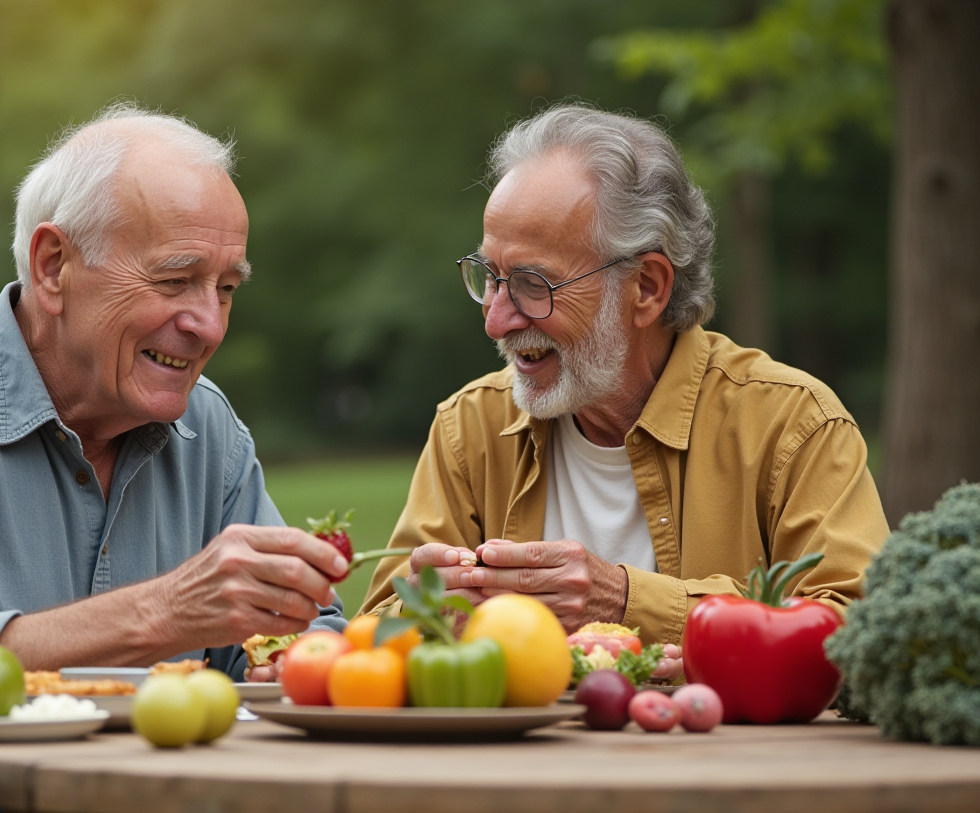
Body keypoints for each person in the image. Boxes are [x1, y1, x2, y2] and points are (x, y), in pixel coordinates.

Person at [0, 104, 346, 680]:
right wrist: (165, 612)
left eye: (226, 288)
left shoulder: (211, 431)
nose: (209, 325)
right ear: (53, 266)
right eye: (175, 280)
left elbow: (301, 633)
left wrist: (320, 650)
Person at [359, 104, 888, 674]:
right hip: (519, 763)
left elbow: (862, 631)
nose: (496, 320)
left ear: (648, 288)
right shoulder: (469, 428)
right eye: (490, 278)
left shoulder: (793, 424)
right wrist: (426, 613)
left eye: (533, 284)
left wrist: (628, 601)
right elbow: (374, 635)